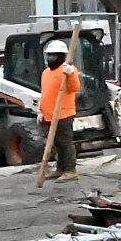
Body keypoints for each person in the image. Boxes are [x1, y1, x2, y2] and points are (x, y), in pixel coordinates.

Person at [36, 38, 81, 184]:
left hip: (64, 113)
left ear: (61, 56)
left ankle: (70, 170)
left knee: (65, 142)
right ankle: (60, 168)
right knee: (56, 143)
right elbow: (45, 94)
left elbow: (75, 88)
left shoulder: (68, 70)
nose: (51, 58)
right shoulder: (46, 73)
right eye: (49, 55)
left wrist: (71, 74)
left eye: (54, 55)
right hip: (49, 115)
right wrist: (40, 111)